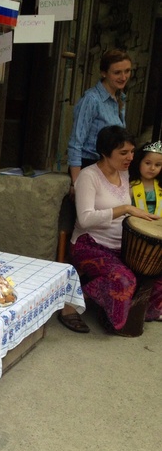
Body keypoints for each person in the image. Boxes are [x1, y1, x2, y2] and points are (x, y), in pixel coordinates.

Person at [58, 126, 162, 335]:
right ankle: (71, 303)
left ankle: (134, 312)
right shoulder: (89, 176)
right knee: (124, 280)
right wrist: (125, 209)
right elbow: (85, 219)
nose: (130, 157)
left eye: (131, 152)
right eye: (123, 153)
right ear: (105, 152)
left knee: (157, 275)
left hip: (120, 244)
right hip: (89, 244)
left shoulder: (124, 173)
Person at [67, 49, 133, 191]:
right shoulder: (91, 100)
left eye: (127, 71)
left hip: (109, 168)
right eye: (117, 72)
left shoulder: (120, 97)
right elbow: (76, 143)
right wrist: (77, 182)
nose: (123, 77)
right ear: (104, 73)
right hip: (89, 166)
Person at [129, 140, 162, 215]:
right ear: (139, 162)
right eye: (147, 163)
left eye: (157, 165)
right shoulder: (130, 186)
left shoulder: (160, 186)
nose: (152, 168)